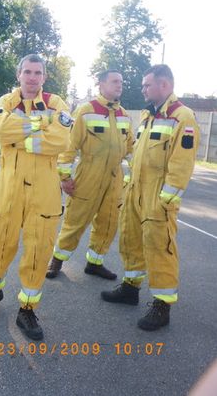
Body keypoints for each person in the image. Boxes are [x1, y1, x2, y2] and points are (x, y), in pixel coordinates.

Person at [0, 54, 71, 341]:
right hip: (8, 188)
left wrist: (20, 134)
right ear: (18, 74)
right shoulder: (6, 101)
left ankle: (27, 308)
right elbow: (2, 131)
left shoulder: (57, 104)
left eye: (38, 72)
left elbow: (61, 141)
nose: (32, 77)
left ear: (44, 77)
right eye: (27, 71)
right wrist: (41, 125)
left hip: (45, 191)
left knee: (39, 250)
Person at [101, 64, 200, 331]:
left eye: (147, 84)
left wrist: (166, 200)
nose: (142, 88)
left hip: (158, 197)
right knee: (131, 240)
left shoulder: (183, 118)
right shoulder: (149, 116)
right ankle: (131, 288)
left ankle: (161, 305)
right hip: (136, 192)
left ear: (164, 85)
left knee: (160, 249)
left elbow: (181, 165)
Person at [46, 70, 133, 280]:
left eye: (121, 82)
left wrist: (132, 177)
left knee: (108, 222)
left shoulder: (124, 115)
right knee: (75, 220)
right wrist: (64, 177)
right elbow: (69, 146)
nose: (119, 85)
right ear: (101, 85)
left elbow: (131, 148)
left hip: (115, 177)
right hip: (88, 175)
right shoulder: (86, 111)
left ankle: (95, 262)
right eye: (114, 81)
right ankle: (56, 260)